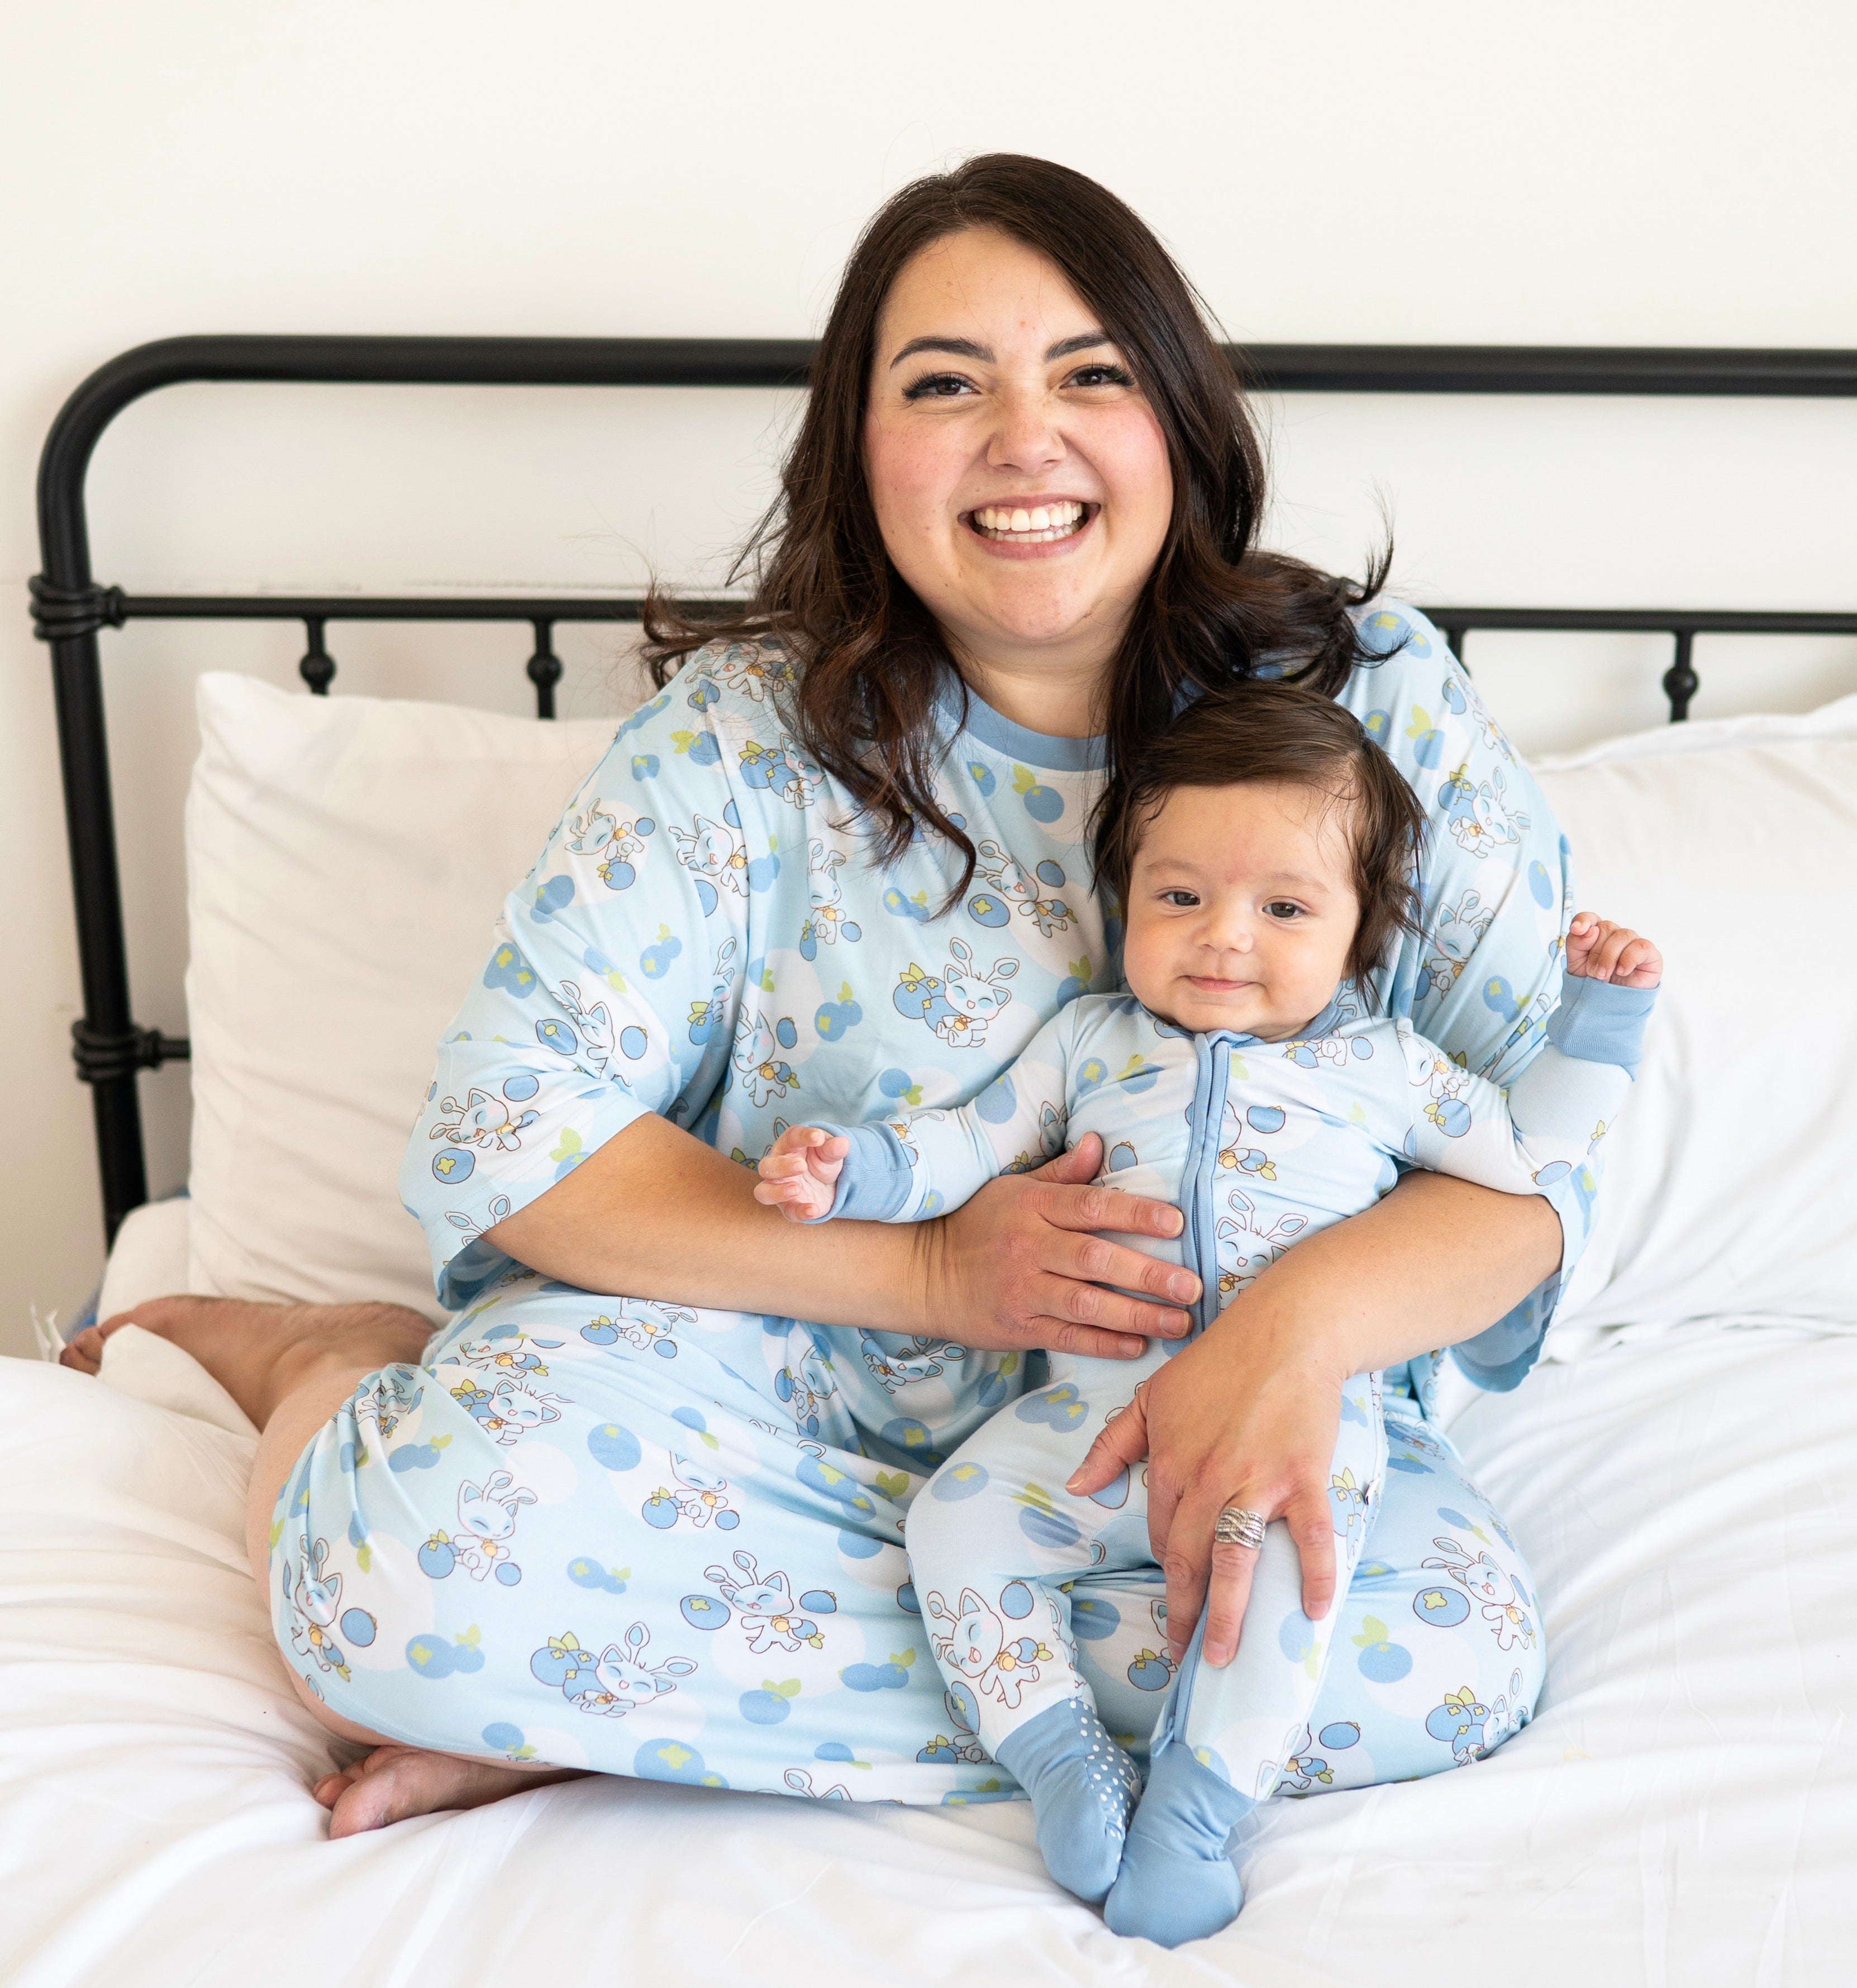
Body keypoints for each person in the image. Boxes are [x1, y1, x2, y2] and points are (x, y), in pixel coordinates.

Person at [65, 155, 1591, 1886]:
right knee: (400, 1569)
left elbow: (1547, 1158)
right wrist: (936, 1277)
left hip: (1213, 1417)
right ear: (858, 451)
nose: (1028, 440)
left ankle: (609, 1695)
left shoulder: (1372, 697)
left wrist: (1291, 1337)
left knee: (1457, 1660)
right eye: (946, 384)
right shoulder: (741, 742)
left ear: (1182, 416)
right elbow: (516, 1144)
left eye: (1091, 373)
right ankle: (336, 1364)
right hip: (787, 1388)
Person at [754, 681, 1661, 1941]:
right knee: (954, 1527)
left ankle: (1193, 1804)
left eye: (1284, 908)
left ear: (1359, 935)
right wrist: (848, 1173)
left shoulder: (1382, 1070)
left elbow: (1531, 1161)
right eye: (1178, 896)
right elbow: (963, 1146)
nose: (1222, 935)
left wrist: (1599, 1024)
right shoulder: (1088, 1043)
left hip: (1292, 1430)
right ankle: (1058, 1754)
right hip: (1088, 1423)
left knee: (1283, 1586)